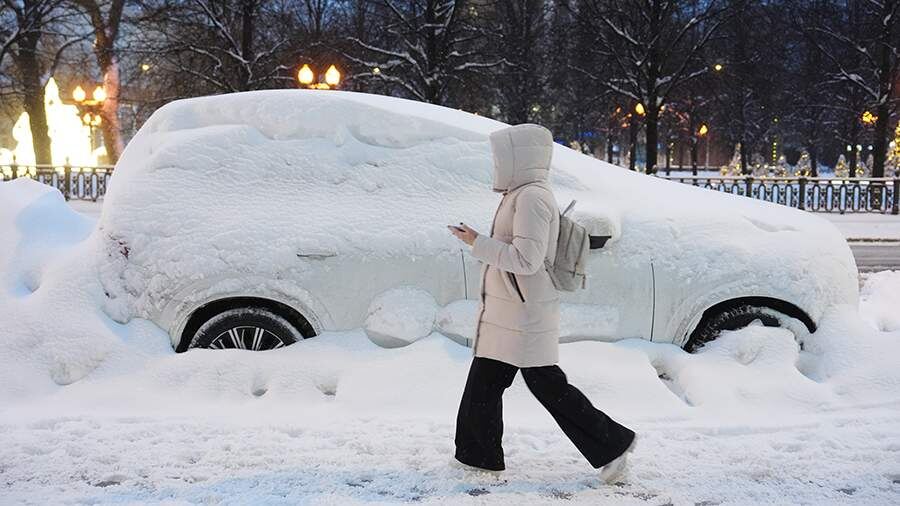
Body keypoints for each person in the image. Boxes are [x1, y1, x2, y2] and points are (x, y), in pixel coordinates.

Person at [447, 124, 636, 484]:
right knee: (485, 382)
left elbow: (527, 260)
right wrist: (479, 242)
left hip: (524, 313)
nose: (496, 164)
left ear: (519, 158)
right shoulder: (518, 194)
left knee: (547, 386)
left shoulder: (531, 198)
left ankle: (613, 445)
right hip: (509, 311)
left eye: (500, 157)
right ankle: (477, 457)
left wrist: (477, 242)